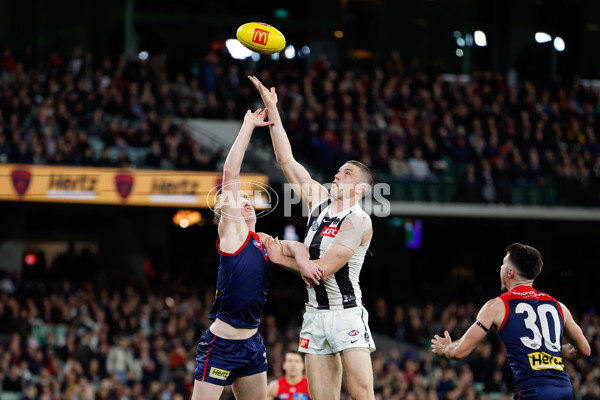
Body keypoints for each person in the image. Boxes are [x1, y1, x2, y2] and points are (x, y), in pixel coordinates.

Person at [249, 76, 376, 400]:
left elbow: (320, 270)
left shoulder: (359, 220)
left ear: (360, 189)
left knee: (362, 395)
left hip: (346, 313)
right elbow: (286, 161)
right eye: (338, 170)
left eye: (347, 173)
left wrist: (284, 255)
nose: (337, 174)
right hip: (315, 315)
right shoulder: (319, 202)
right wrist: (274, 111)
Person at [191, 108, 323, 400]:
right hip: (221, 345)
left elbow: (296, 246)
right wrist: (248, 126)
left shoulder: (262, 240)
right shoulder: (232, 235)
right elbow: (230, 173)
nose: (245, 202)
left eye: (247, 199)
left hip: (252, 343)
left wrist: (301, 260)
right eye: (239, 200)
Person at [431, 243, 591, 400]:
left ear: (510, 272)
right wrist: (555, 351)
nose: (500, 268)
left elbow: (460, 351)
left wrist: (445, 349)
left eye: (503, 264)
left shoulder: (497, 306)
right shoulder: (558, 306)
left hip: (532, 391)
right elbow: (585, 349)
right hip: (564, 390)